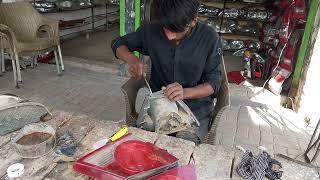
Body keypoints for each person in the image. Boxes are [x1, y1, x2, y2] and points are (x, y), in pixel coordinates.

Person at [111, 0, 222, 143]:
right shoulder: (152, 30)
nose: (169, 36)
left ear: (193, 20)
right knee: (143, 144)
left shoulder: (209, 38)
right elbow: (118, 44)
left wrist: (185, 92)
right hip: (160, 105)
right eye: (166, 29)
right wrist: (132, 59)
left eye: (176, 31)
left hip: (195, 108)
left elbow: (214, 83)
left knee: (183, 145)